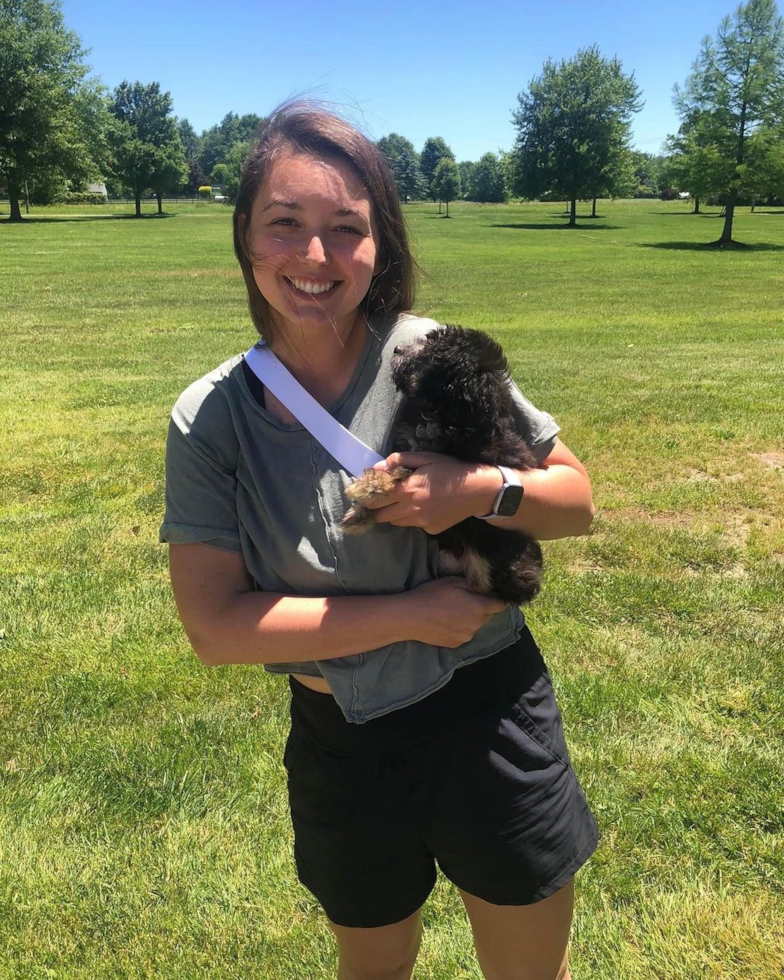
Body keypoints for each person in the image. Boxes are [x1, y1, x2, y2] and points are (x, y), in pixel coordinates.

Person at [160, 101, 599, 980]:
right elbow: (216, 630)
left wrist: (479, 487)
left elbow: (575, 502)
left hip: (489, 713)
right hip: (340, 738)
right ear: (245, 234)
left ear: (379, 245)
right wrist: (413, 613)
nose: (314, 256)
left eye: (345, 229)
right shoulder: (212, 415)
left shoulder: (437, 353)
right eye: (285, 224)